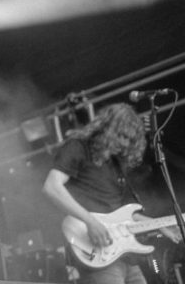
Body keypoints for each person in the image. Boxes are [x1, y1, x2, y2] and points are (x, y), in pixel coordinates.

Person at [42, 102, 182, 284]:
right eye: (121, 135)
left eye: (129, 140)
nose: (124, 143)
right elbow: (51, 187)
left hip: (125, 255)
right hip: (96, 250)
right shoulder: (78, 146)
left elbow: (126, 214)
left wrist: (160, 226)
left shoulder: (116, 165)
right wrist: (90, 222)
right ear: (107, 127)